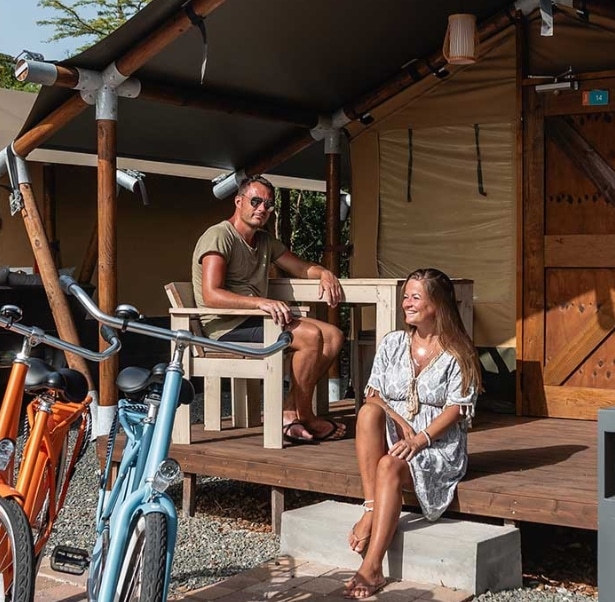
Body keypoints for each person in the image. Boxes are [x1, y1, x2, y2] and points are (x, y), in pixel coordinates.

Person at [343, 268, 481, 599]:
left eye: (415, 297)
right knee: (368, 413)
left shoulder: (459, 352)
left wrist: (420, 439)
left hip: (437, 445)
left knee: (389, 465)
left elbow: (457, 409)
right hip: (396, 436)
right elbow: (373, 394)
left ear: (438, 304)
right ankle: (371, 508)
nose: (406, 303)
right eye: (405, 296)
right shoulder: (393, 343)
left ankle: (372, 566)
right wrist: (398, 419)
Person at [192, 174, 347, 444]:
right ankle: (306, 415)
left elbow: (300, 268)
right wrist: (261, 302)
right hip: (226, 327)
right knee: (311, 336)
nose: (262, 208)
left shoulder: (264, 241)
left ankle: (289, 410)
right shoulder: (219, 236)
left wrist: (323, 273)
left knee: (334, 336)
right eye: (255, 201)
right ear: (239, 201)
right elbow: (211, 295)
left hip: (257, 320)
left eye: (268, 204)